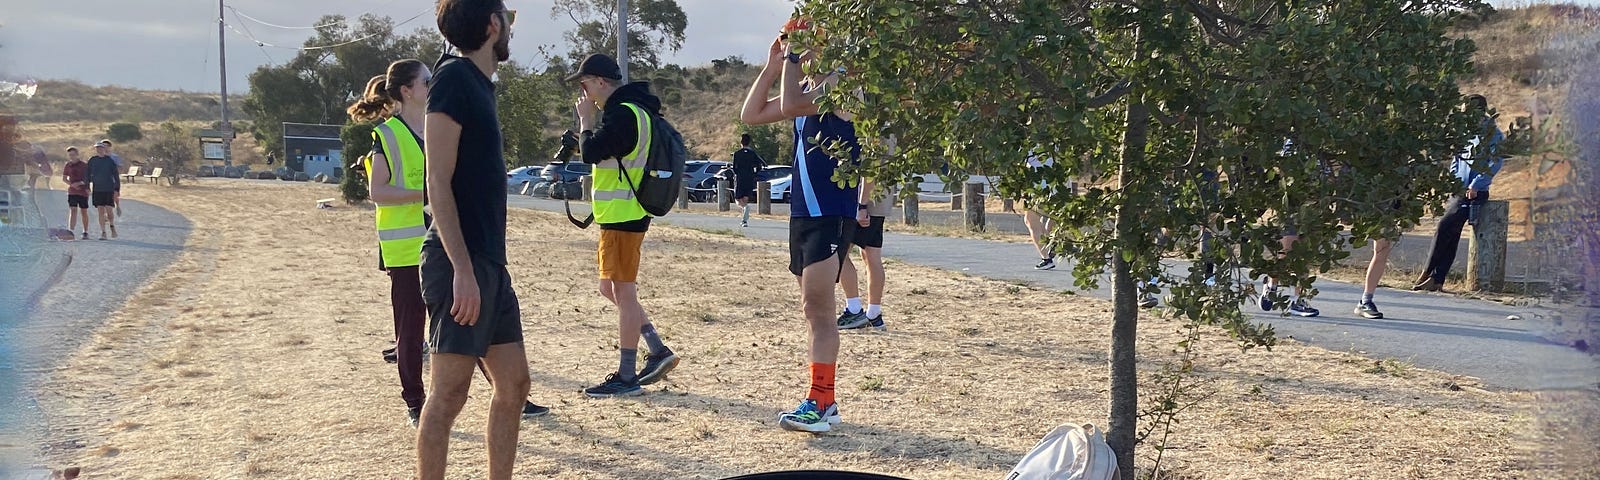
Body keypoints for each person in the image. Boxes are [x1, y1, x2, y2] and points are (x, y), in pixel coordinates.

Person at [416, 3, 529, 479]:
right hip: (458, 261)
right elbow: (436, 181)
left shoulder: (480, 84)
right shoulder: (454, 78)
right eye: (504, 14)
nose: (511, 20)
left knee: (515, 384)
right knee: (449, 394)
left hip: (488, 263)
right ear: (490, 27)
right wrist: (462, 270)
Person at [741, 16, 859, 433]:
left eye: (805, 43)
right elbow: (751, 114)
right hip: (804, 215)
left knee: (819, 309)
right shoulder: (807, 89)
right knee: (813, 310)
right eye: (795, 43)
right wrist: (773, 66)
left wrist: (791, 58)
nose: (800, 52)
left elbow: (790, 105)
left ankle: (821, 402)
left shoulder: (844, 84)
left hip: (832, 211)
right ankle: (825, 399)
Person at [566, 52, 681, 398]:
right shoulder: (635, 112)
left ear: (600, 82)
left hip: (623, 216)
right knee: (610, 288)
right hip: (623, 215)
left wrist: (585, 123)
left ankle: (628, 375)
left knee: (624, 293)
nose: (584, 93)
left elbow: (592, 152)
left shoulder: (622, 114)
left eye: (585, 85)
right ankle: (656, 348)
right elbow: (606, 151)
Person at [349, 58, 437, 426]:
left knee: (462, 321)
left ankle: (511, 394)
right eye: (427, 81)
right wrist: (425, 193)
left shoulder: (438, 128)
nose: (433, 86)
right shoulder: (385, 135)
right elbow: (378, 191)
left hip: (441, 241)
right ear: (407, 91)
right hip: (404, 250)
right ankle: (415, 402)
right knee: (411, 332)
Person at [1415, 94, 1504, 292]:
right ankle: (1437, 281)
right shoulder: (1466, 133)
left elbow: (1495, 163)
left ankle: (1427, 271)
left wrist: (1476, 184)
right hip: (1458, 190)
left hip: (1473, 193)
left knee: (1443, 227)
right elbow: (1457, 160)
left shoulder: (1494, 135)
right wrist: (1454, 181)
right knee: (1452, 235)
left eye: (1466, 111)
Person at [838, 135, 891, 331]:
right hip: (880, 200)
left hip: (865, 202)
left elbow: (870, 167)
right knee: (871, 255)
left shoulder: (872, 127)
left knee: (839, 254)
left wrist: (861, 204)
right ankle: (874, 314)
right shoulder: (890, 125)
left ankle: (854, 310)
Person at [86, 142, 120, 240]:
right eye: (97, 148)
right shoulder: (92, 160)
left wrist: (117, 189)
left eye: (100, 148)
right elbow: (87, 174)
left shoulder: (109, 160)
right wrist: (87, 186)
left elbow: (116, 175)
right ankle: (103, 232)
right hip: (97, 189)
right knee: (100, 211)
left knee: (109, 211)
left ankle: (112, 226)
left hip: (109, 188)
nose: (99, 149)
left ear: (104, 149)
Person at [732, 133, 767, 227]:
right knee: (745, 197)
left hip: (740, 178)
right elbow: (760, 166)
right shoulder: (753, 153)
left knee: (738, 199)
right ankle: (744, 220)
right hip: (749, 178)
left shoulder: (737, 154)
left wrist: (738, 173)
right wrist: (753, 173)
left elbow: (734, 167)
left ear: (741, 142)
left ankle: (745, 211)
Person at [61, 146, 90, 240]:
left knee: (83, 211)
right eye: (70, 155)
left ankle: (85, 231)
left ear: (77, 154)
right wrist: (71, 184)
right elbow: (64, 178)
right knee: (73, 210)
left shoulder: (84, 165)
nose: (72, 157)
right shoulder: (68, 165)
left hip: (83, 191)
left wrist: (80, 183)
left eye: (73, 154)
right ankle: (71, 231)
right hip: (72, 191)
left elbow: (88, 178)